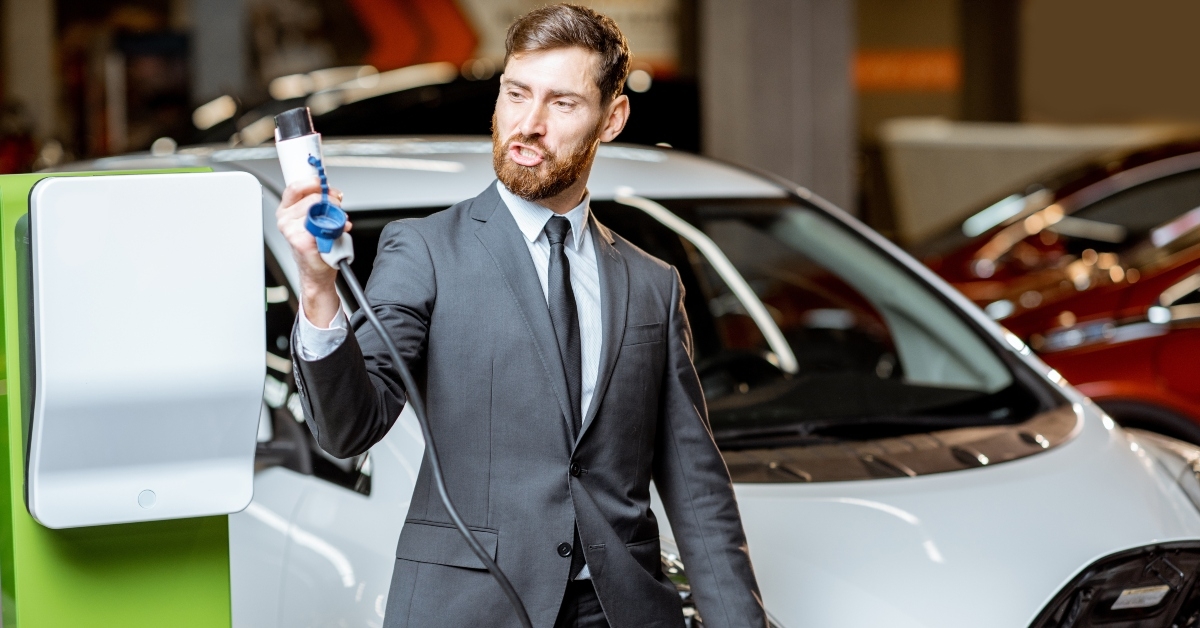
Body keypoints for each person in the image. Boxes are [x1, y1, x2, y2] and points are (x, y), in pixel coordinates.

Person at [277, 5, 766, 627]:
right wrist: (318, 290)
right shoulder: (424, 250)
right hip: (471, 610)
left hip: (623, 612)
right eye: (515, 95)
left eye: (561, 104)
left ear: (610, 120)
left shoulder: (652, 285)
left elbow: (696, 488)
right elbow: (348, 428)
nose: (527, 125)